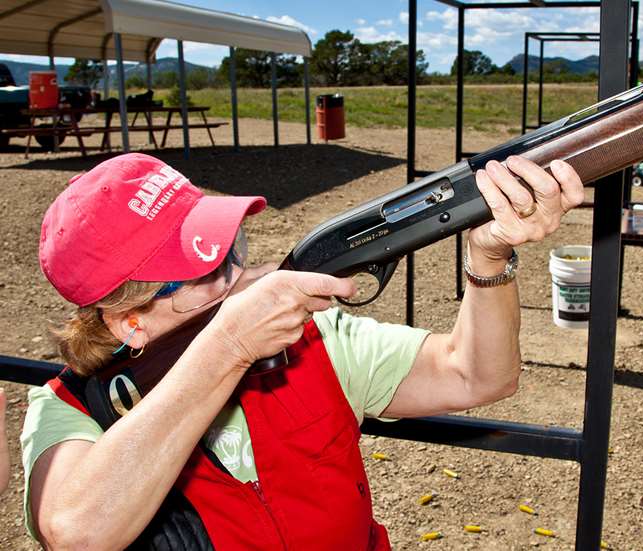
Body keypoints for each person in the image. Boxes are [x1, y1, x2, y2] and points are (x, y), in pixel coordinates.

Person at [21, 152, 583, 550]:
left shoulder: (312, 340)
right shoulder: (70, 410)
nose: (236, 274)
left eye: (228, 247)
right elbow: (79, 533)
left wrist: (487, 259)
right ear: (130, 321)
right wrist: (230, 346)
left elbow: (476, 376)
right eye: (204, 270)